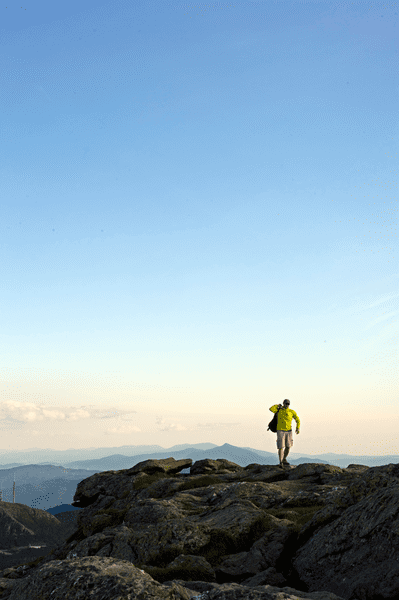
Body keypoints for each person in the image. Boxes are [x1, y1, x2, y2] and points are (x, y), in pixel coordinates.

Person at [269, 399, 300, 468]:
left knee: (288, 446)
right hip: (280, 431)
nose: (287, 405)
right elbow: (271, 409)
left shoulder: (291, 412)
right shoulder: (279, 410)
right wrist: (277, 405)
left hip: (289, 431)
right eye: (286, 404)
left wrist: (298, 428)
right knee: (280, 447)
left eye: (288, 404)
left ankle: (284, 459)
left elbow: (297, 419)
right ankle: (281, 462)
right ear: (283, 404)